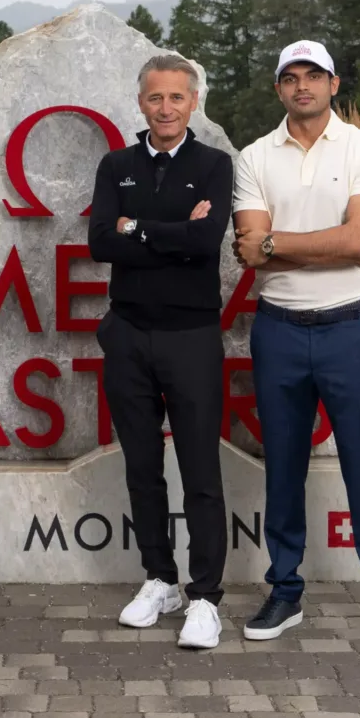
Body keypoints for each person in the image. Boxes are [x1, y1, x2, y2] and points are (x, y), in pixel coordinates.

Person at [232, 39, 360, 654]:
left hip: (347, 328)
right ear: (279, 88)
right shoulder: (255, 156)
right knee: (283, 467)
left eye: (314, 75)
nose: (301, 85)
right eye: (290, 77)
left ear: (335, 84)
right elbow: (248, 246)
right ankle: (285, 588)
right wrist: (314, 242)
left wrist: (276, 243)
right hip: (278, 328)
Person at [88, 54, 233, 650]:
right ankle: (160, 578)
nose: (166, 108)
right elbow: (100, 240)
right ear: (141, 102)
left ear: (192, 102)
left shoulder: (216, 164)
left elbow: (205, 243)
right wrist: (156, 232)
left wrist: (136, 228)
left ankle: (204, 596)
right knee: (142, 467)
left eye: (177, 97)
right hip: (128, 334)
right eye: (156, 98)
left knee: (200, 469)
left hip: (192, 337)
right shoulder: (116, 164)